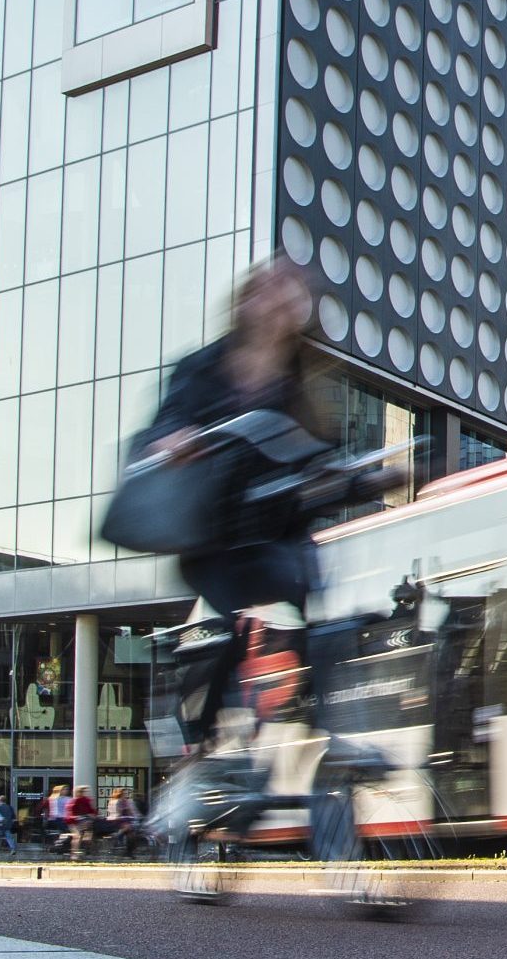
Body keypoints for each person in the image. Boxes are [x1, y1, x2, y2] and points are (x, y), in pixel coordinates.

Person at [138, 257, 326, 751]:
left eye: (290, 296)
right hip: (213, 535)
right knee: (227, 612)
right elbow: (161, 427)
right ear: (247, 303)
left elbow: (318, 453)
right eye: (270, 291)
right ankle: (201, 738)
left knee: (313, 586)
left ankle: (313, 711)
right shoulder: (202, 370)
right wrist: (171, 442)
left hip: (271, 532)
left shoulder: (293, 384)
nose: (281, 303)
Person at [102, 787, 140, 858]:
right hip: (116, 820)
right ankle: (117, 836)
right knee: (128, 827)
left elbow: (132, 812)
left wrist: (135, 815)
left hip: (125, 820)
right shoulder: (115, 801)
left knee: (132, 835)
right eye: (124, 793)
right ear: (119, 794)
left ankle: (129, 852)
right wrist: (125, 813)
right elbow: (116, 813)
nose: (125, 795)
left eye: (126, 793)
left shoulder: (127, 801)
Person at [64, 786, 97, 859]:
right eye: (84, 792)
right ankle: (74, 854)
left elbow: (92, 811)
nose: (86, 793)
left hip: (85, 821)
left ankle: (88, 850)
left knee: (89, 832)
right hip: (74, 822)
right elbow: (70, 813)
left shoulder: (87, 800)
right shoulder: (74, 801)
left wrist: (91, 815)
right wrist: (79, 816)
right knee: (77, 836)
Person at [43, 785, 71, 853]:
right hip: (56, 819)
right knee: (63, 833)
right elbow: (45, 807)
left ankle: (60, 847)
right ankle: (58, 847)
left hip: (64, 818)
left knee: (65, 833)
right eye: (64, 789)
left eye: (67, 789)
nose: (66, 791)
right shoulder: (52, 799)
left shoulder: (68, 799)